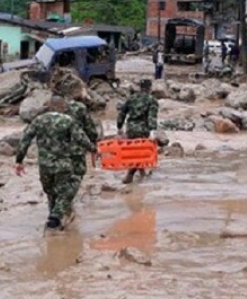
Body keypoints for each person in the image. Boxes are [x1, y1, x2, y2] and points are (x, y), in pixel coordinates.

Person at [14, 97, 97, 230]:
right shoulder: (68, 121)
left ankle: (53, 220)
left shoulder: (38, 120)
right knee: (67, 190)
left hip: (45, 165)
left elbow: (25, 139)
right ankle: (56, 217)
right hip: (63, 163)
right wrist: (94, 149)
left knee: (50, 192)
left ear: (49, 106)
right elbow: (81, 139)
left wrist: (19, 160)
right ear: (63, 106)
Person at [117, 79, 159, 184]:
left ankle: (142, 172)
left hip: (130, 129)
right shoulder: (152, 100)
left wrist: (119, 127)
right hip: (143, 130)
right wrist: (153, 130)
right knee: (140, 154)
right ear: (150, 88)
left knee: (134, 152)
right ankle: (129, 175)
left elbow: (122, 113)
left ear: (140, 87)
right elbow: (152, 117)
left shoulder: (131, 98)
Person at [65, 100, 100, 186]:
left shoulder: (54, 106)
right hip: (77, 146)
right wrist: (93, 142)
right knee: (78, 171)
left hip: (57, 148)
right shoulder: (79, 107)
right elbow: (89, 127)